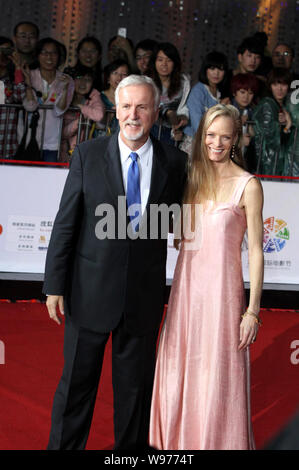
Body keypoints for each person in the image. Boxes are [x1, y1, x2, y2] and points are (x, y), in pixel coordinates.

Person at [43, 74, 187, 450]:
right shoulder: (88, 155)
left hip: (142, 299)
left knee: (135, 397)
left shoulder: (176, 162)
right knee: (75, 389)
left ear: (156, 112)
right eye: (126, 106)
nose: (133, 115)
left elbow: (185, 219)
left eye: (142, 106)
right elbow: (65, 223)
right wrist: (54, 286)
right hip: (87, 293)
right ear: (115, 111)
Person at [149, 103, 264, 450]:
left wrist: (253, 311)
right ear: (201, 137)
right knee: (178, 372)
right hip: (186, 297)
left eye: (225, 136)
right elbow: (172, 231)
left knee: (217, 377)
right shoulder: (191, 180)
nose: (216, 143)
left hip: (222, 299)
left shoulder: (249, 185)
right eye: (210, 135)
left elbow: (256, 251)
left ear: (235, 140)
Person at [21, 37, 74, 162]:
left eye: (53, 53)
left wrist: (65, 89)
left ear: (59, 56)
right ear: (38, 55)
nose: (49, 57)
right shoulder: (29, 75)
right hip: (29, 137)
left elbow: (59, 111)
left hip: (52, 141)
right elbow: (30, 106)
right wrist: (28, 84)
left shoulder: (67, 80)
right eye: (44, 53)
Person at [182, 51, 228, 155]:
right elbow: (197, 123)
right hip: (196, 143)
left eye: (220, 69)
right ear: (205, 70)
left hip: (213, 144)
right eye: (212, 69)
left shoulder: (220, 92)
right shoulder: (198, 91)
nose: (216, 73)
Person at [147, 42, 190, 145]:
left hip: (173, 130)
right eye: (160, 60)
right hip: (150, 128)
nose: (164, 64)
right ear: (154, 61)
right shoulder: (147, 80)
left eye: (169, 60)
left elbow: (185, 105)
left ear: (175, 63)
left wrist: (183, 118)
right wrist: (167, 112)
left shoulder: (183, 82)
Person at [252, 67, 293, 175]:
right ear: (270, 86)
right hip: (267, 162)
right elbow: (270, 139)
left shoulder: (283, 106)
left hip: (275, 162)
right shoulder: (267, 104)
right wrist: (287, 126)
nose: (279, 89)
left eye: (283, 84)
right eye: (275, 84)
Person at [60, 65, 104, 162]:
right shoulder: (64, 95)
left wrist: (82, 107)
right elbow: (62, 133)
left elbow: (99, 115)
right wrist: (78, 122)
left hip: (84, 152)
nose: (83, 83)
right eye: (79, 78)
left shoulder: (93, 96)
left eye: (88, 80)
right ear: (72, 80)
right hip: (63, 150)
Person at [0, 36, 26, 158]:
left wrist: (18, 67)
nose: (4, 55)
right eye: (1, 51)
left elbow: (20, 97)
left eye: (7, 51)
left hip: (8, 144)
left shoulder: (12, 79)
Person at [230, 73, 260, 171]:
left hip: (243, 160)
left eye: (250, 93)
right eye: (242, 92)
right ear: (234, 92)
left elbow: (254, 134)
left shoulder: (252, 110)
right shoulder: (227, 108)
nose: (246, 97)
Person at [96, 58, 130, 137]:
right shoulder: (99, 97)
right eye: (115, 73)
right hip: (101, 139)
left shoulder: (131, 99)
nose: (119, 77)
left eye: (124, 74)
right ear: (108, 78)